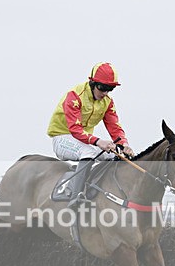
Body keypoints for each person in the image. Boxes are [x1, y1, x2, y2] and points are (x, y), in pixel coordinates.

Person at [47, 62, 135, 208]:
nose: (105, 93)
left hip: (84, 141)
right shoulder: (75, 96)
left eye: (110, 89)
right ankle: (76, 197)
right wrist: (98, 141)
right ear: (92, 83)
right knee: (88, 150)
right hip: (62, 137)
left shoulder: (108, 102)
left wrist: (124, 145)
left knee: (115, 154)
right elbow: (75, 129)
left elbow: (115, 127)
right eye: (103, 88)